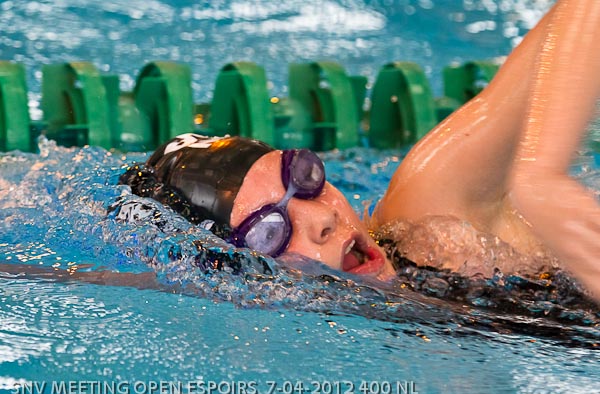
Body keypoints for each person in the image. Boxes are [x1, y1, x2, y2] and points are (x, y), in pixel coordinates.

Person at [120, 0, 600, 301]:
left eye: (304, 179)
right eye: (270, 231)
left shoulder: (434, 216)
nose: (323, 219)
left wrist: (540, 172)